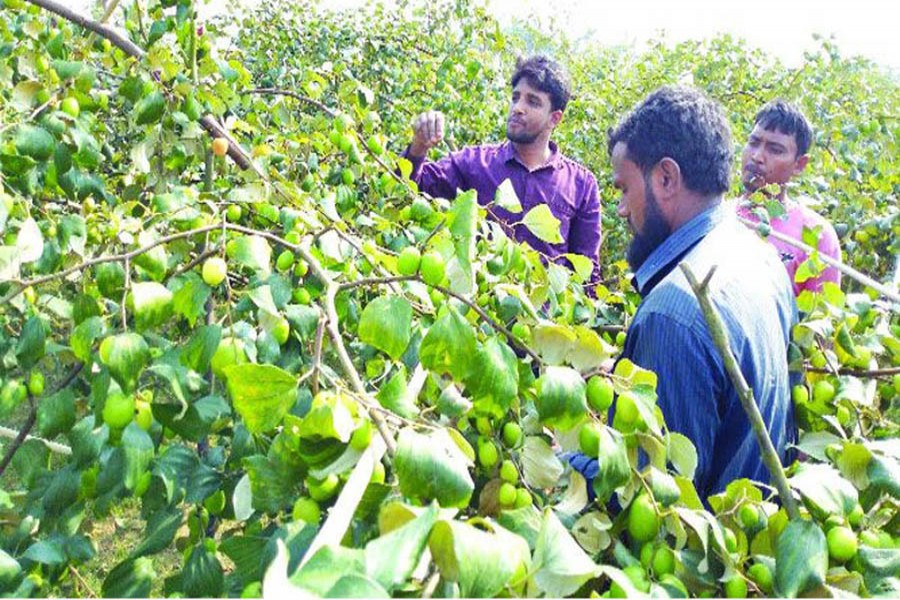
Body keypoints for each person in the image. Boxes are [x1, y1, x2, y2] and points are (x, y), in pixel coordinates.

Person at [569, 86, 797, 500]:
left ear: (666, 178)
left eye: (623, 189)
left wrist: (561, 461)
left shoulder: (672, 314)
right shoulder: (764, 259)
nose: (621, 209)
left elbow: (652, 500)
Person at [402, 55, 602, 285]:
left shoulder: (581, 185)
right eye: (515, 98)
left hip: (544, 319)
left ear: (554, 119)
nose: (518, 108)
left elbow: (586, 271)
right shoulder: (475, 163)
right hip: (475, 311)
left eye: (532, 102)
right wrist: (418, 146)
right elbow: (410, 191)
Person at [737, 99, 842, 295]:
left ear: (799, 165)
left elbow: (817, 321)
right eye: (753, 143)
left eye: (775, 150)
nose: (757, 156)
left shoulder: (816, 236)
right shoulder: (718, 217)